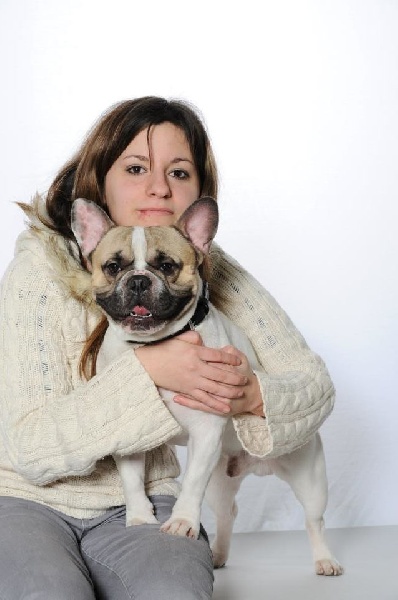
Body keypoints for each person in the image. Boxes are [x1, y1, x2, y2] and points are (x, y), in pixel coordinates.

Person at [0, 96, 335, 599]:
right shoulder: (38, 271)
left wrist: (243, 394)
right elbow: (30, 448)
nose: (159, 186)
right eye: (136, 168)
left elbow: (315, 386)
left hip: (154, 502)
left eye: (179, 173)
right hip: (28, 501)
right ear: (99, 179)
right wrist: (151, 369)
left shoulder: (209, 268)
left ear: (199, 199)